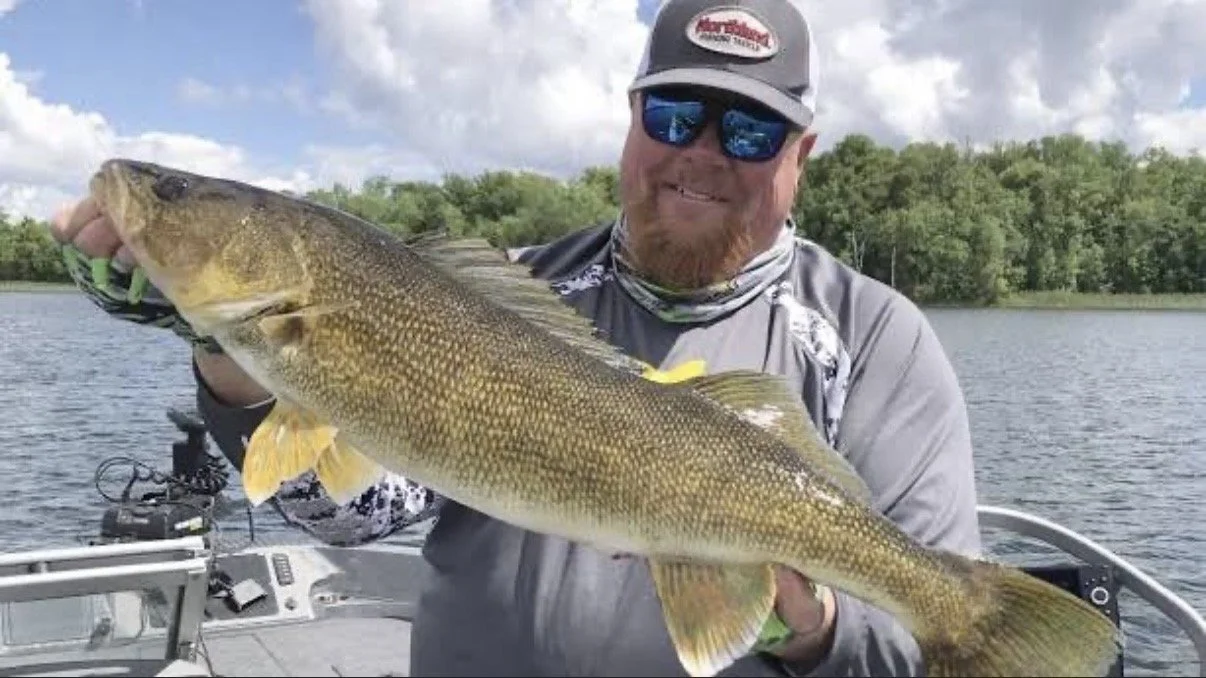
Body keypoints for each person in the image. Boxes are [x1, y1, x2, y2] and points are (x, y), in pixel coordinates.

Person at [49, 0, 982, 674]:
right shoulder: (503, 294)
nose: (701, 151)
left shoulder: (874, 341)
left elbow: (914, 647)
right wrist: (221, 347)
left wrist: (812, 628)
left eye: (748, 129)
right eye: (672, 116)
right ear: (631, 121)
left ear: (800, 155)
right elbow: (353, 516)